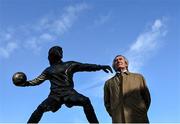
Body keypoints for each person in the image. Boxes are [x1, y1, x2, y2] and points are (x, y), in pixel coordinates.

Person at [20, 46, 112, 123]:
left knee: (85, 101)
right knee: (40, 108)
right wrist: (25, 83)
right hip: (55, 96)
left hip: (68, 93)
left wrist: (99, 67)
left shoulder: (69, 65)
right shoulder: (49, 70)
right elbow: (37, 81)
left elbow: (85, 66)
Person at [104, 55, 151, 123]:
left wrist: (141, 111)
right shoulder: (108, 83)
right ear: (114, 65)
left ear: (126, 63)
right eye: (115, 60)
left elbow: (147, 98)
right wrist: (115, 113)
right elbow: (107, 103)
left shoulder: (138, 77)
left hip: (139, 118)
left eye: (120, 59)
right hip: (118, 120)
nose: (118, 61)